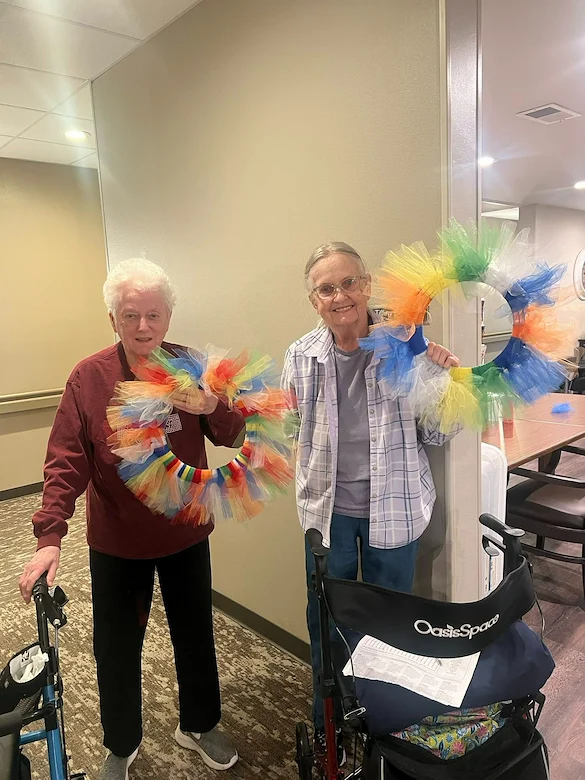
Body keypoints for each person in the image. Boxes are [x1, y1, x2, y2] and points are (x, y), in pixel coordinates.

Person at [19, 258, 243, 778]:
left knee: (196, 634)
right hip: (117, 540)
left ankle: (200, 723)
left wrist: (210, 404)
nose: (143, 327)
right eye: (130, 315)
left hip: (187, 530)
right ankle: (121, 742)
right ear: (113, 320)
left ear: (168, 317)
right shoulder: (89, 377)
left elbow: (233, 433)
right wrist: (50, 536)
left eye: (154, 315)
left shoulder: (192, 365)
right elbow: (66, 459)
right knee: (115, 647)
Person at [282, 242, 460, 762]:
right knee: (327, 625)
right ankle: (328, 731)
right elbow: (291, 429)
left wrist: (439, 378)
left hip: (397, 511)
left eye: (349, 283)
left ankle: (386, 732)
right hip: (328, 515)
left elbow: (439, 434)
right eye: (326, 288)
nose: (340, 296)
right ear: (314, 300)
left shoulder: (407, 345)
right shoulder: (301, 355)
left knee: (391, 629)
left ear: (367, 286)